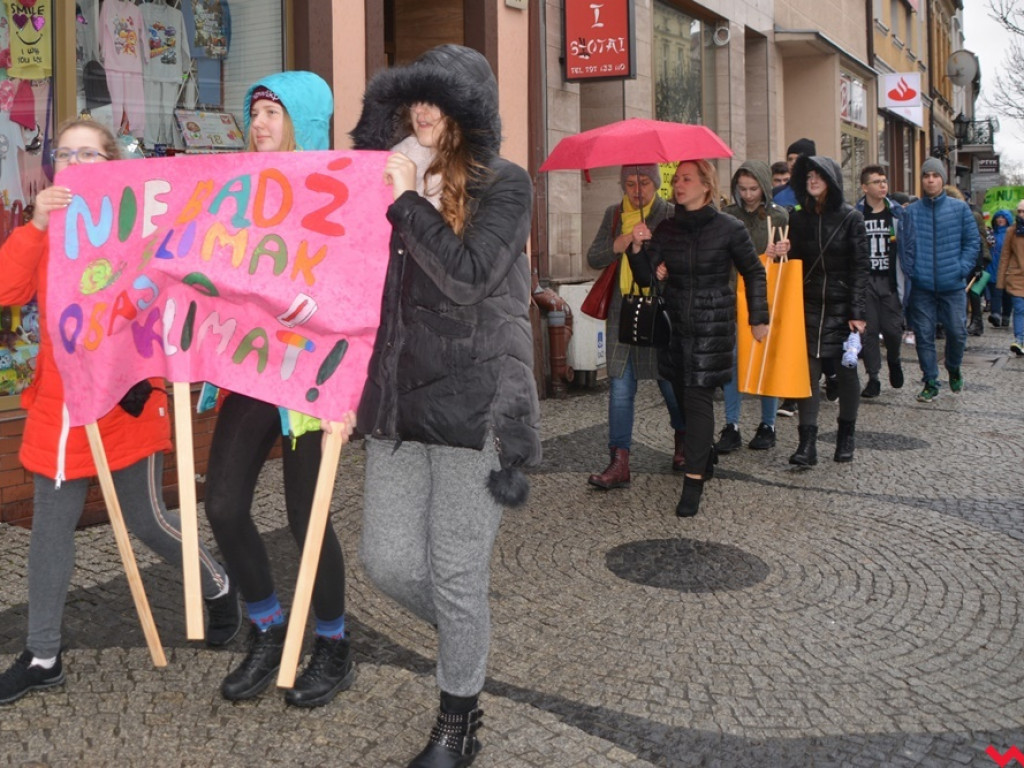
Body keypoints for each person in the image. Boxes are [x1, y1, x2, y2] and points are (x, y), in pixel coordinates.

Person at [0, 118, 240, 706]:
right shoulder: (47, 228)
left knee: (148, 522)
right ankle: (42, 654)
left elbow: (175, 294)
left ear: (113, 165)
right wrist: (36, 226)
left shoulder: (140, 228)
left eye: (89, 154)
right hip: (61, 407)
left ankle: (217, 585)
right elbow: (7, 291)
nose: (76, 164)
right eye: (65, 154)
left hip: (125, 401)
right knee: (49, 531)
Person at [351, 44, 541, 768]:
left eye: (437, 98)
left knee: (457, 575)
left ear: (466, 109)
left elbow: (468, 277)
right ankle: (468, 637)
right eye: (416, 97)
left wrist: (407, 202)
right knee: (387, 561)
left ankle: (457, 725)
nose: (423, 111)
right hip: (401, 406)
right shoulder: (390, 173)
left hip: (477, 404)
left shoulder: (506, 184)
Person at [202, 71, 357, 708]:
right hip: (252, 367)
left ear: (303, 121)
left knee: (306, 516)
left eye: (273, 112)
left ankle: (334, 643)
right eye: (255, 112)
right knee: (222, 504)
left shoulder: (338, 193)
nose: (259, 123)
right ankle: (266, 627)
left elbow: (353, 286)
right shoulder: (235, 190)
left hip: (311, 379)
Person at [628, 160, 768, 517]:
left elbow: (754, 272)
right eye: (676, 179)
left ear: (706, 186)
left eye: (686, 179)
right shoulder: (667, 228)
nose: (678, 184)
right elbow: (646, 278)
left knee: (698, 398)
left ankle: (693, 482)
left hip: (711, 326)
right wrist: (637, 247)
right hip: (675, 327)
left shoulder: (729, 228)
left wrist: (758, 318)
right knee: (681, 396)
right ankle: (704, 454)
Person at [586, 165, 686, 489]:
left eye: (643, 182)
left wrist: (664, 265)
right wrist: (624, 240)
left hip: (659, 311)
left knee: (669, 383)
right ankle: (619, 461)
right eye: (629, 183)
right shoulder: (614, 214)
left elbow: (685, 260)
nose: (636, 190)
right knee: (620, 387)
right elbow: (595, 256)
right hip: (623, 311)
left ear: (655, 183)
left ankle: (683, 438)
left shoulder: (669, 213)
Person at [786, 155, 869, 466]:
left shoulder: (851, 218)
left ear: (832, 180)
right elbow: (792, 263)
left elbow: (860, 269)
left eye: (819, 175)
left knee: (846, 373)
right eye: (809, 176)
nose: (813, 180)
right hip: (807, 306)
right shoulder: (797, 219)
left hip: (842, 307)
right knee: (808, 374)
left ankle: (846, 435)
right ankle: (806, 444)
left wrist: (857, 312)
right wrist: (781, 252)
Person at [718, 160, 789, 452]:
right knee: (733, 361)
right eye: (743, 189)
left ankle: (768, 424)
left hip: (765, 297)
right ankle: (731, 424)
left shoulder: (779, 215)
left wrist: (781, 251)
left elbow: (786, 262)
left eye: (753, 189)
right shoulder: (727, 215)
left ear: (764, 187)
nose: (748, 195)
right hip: (733, 296)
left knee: (766, 360)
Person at [901, 158, 980, 402]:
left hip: (952, 284)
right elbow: (905, 246)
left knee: (957, 332)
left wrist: (961, 268)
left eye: (935, 175)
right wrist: (912, 271)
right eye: (926, 176)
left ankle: (953, 366)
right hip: (922, 286)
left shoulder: (959, 209)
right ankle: (930, 381)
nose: (931, 180)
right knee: (924, 335)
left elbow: (972, 242)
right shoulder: (912, 211)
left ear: (942, 179)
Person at [855, 164, 906, 397]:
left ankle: (894, 359)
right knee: (869, 332)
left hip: (890, 280)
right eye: (876, 182)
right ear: (865, 187)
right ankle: (873, 377)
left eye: (884, 181)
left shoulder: (897, 214)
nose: (882, 185)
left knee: (893, 330)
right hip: (866, 282)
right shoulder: (856, 215)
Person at [942, 186, 991, 337]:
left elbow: (977, 241)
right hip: (954, 259)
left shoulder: (970, 215)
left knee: (972, 293)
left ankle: (975, 322)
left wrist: (979, 264)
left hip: (971, 259)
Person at [995, 200, 1024, 356]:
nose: (1021, 214)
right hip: (1017, 277)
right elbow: (1005, 256)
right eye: (1019, 211)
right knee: (1019, 309)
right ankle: (1019, 339)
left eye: (1023, 211)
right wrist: (1001, 281)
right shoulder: (1012, 231)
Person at [772, 138, 816, 210]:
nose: (793, 163)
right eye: (790, 159)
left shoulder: (820, 191)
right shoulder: (776, 194)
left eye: (798, 159)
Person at [987, 208, 1014, 327]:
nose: (1000, 219)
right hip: (993, 267)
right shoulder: (991, 234)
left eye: (1003, 217)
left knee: (1007, 294)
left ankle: (1006, 315)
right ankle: (996, 314)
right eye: (998, 217)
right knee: (995, 292)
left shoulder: (1011, 234)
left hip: (1007, 268)